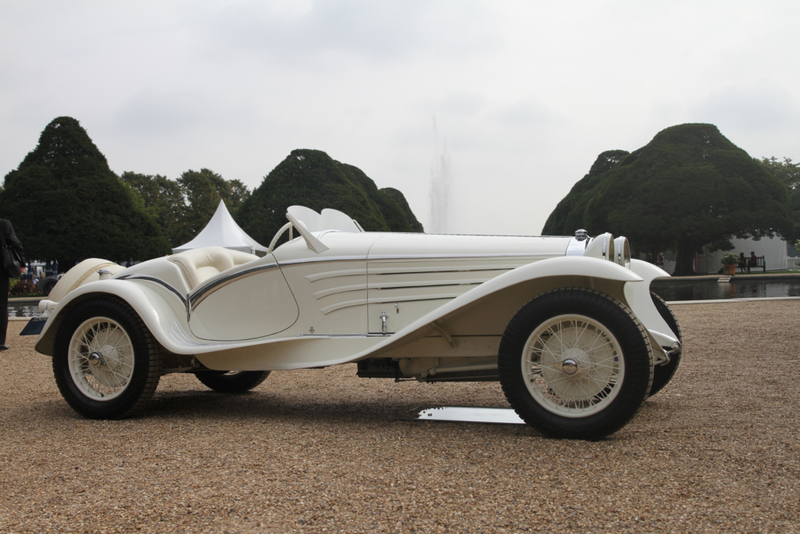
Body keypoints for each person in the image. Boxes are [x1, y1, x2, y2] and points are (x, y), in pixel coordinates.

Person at [0, 219, 24, 351]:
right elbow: (15, 244)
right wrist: (22, 262)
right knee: (1, 306)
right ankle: (0, 341)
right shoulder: (3, 225)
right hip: (1, 271)